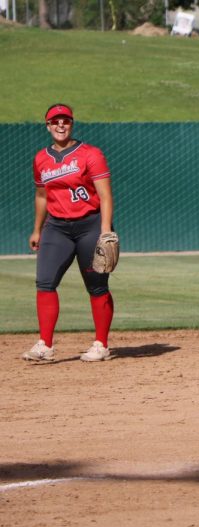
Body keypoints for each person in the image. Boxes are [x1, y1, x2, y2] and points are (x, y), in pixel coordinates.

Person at [22, 103, 116, 362]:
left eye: (65, 121)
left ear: (71, 124)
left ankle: (101, 344)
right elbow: (42, 195)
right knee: (45, 282)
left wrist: (105, 230)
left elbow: (105, 196)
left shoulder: (90, 154)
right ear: (48, 126)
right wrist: (37, 229)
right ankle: (45, 345)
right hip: (57, 227)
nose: (60, 125)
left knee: (97, 286)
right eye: (55, 121)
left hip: (90, 225)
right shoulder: (41, 158)